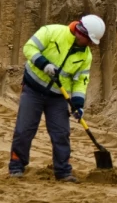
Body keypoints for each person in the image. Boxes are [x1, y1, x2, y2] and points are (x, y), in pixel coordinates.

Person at [8, 14, 105, 183]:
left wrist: (77, 104)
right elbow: (29, 48)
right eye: (89, 40)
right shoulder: (52, 32)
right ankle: (16, 166)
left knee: (61, 134)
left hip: (58, 98)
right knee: (24, 130)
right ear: (81, 32)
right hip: (33, 90)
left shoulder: (86, 56)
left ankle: (63, 172)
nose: (90, 44)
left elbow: (81, 81)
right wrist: (44, 64)